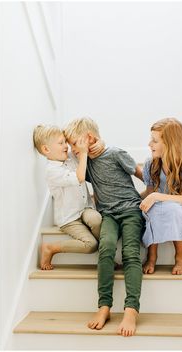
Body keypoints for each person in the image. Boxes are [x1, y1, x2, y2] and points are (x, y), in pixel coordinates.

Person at [64, 117, 144, 337]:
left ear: (89, 138)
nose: (72, 149)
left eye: (74, 143)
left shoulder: (116, 153)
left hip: (130, 211)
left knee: (130, 253)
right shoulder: (84, 161)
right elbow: (67, 161)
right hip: (108, 214)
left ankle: (131, 310)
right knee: (106, 247)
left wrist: (153, 198)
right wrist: (82, 152)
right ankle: (104, 307)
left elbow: (141, 174)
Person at [33, 125, 104, 270]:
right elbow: (79, 177)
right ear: (46, 149)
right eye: (61, 143)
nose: (66, 146)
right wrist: (83, 154)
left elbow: (89, 149)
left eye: (65, 142)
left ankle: (105, 258)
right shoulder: (52, 171)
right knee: (91, 245)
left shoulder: (70, 157)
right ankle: (51, 248)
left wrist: (100, 143)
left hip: (85, 208)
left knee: (96, 219)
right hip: (69, 218)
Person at [140, 118, 182, 275]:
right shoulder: (151, 163)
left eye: (154, 141)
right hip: (158, 204)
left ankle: (180, 256)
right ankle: (152, 256)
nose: (149, 144)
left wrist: (155, 196)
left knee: (174, 210)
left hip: (179, 205)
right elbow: (149, 193)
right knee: (151, 209)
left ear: (170, 144)